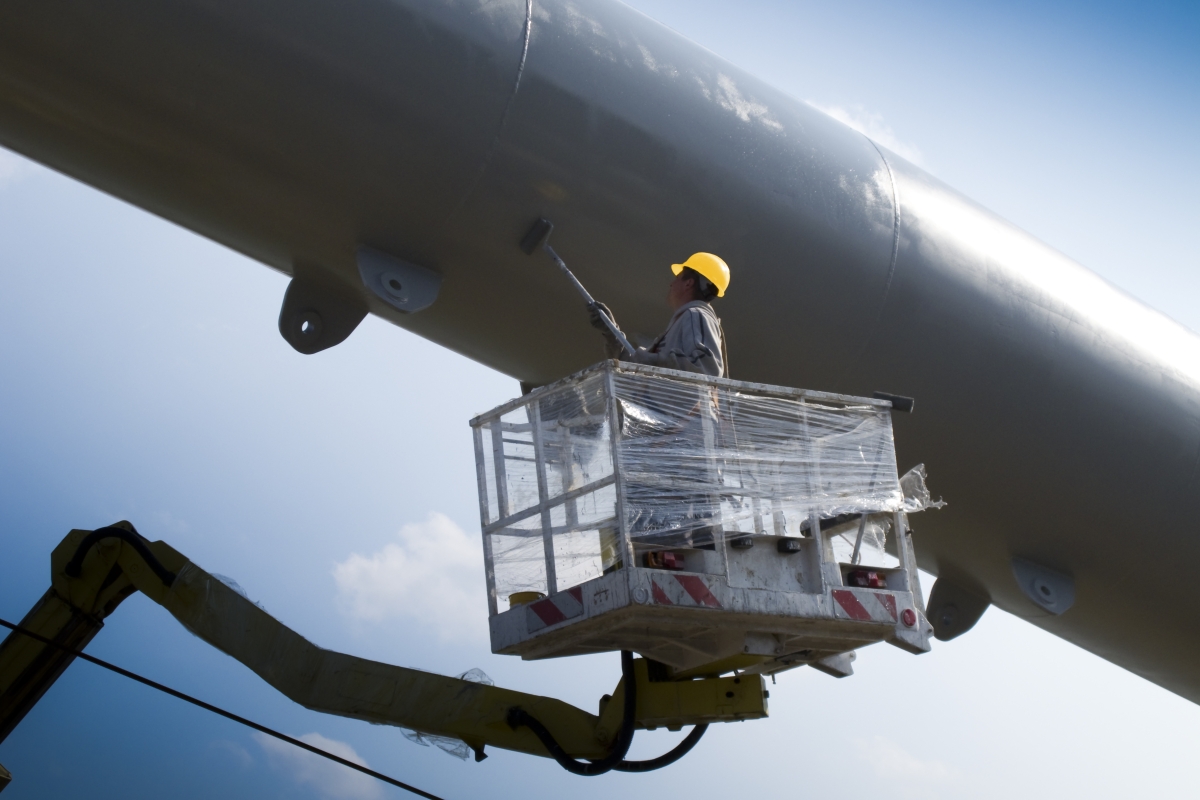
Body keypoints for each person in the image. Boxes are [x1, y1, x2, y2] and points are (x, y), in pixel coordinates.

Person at [589, 253, 730, 378]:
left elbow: (706, 371)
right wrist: (611, 332)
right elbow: (633, 366)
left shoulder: (695, 315)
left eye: (677, 277)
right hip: (665, 407)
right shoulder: (684, 321)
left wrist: (652, 361)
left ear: (688, 283)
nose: (671, 283)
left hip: (679, 409)